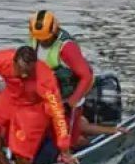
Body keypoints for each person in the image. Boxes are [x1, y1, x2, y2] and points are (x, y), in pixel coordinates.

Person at [0, 46, 77, 164]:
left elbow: (57, 113)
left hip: (33, 106)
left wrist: (64, 148)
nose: (24, 76)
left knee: (22, 155)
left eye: (28, 72)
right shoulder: (3, 59)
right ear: (14, 62)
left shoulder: (45, 79)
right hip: (11, 96)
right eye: (20, 70)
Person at [27, 10, 94, 152]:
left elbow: (86, 77)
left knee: (68, 140)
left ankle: (79, 142)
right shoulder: (34, 39)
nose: (42, 41)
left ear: (55, 30)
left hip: (68, 96)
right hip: (47, 96)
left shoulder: (66, 47)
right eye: (40, 39)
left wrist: (71, 102)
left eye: (46, 39)